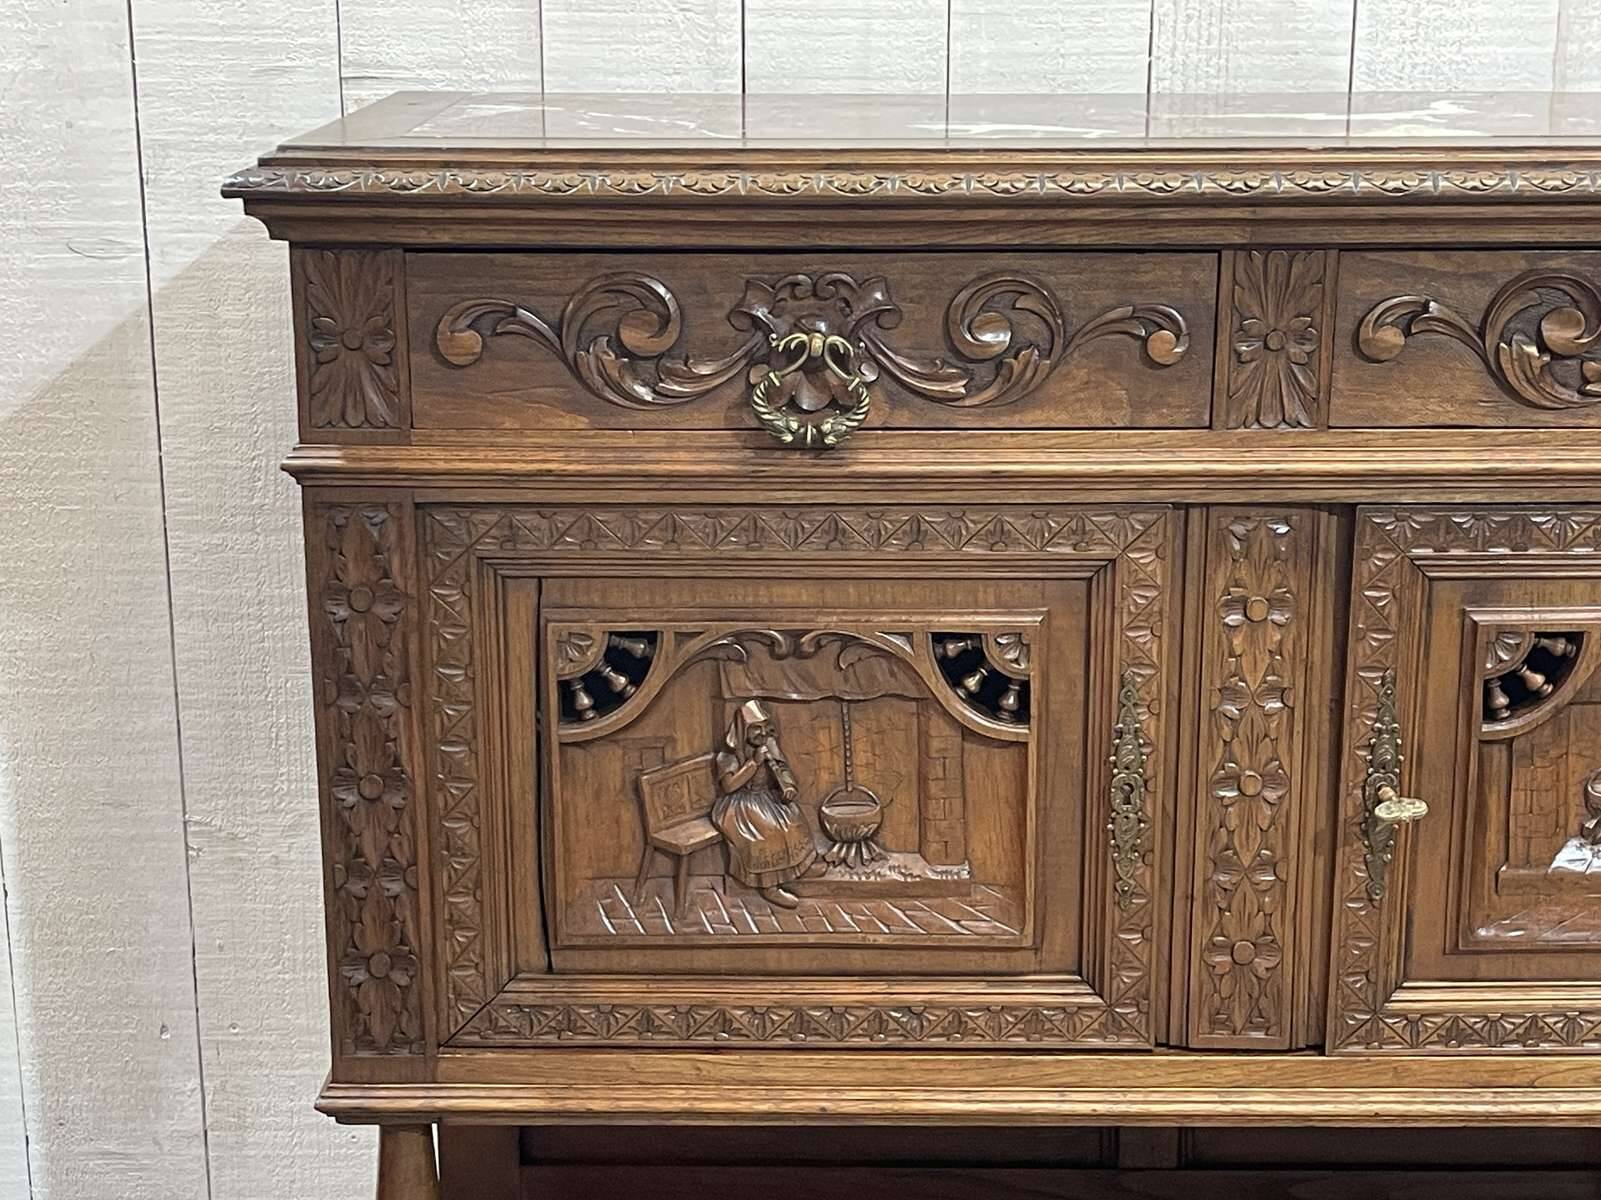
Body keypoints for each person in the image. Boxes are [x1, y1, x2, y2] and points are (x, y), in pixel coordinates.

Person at [713, 699, 818, 909]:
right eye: (756, 729)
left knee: (792, 818)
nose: (762, 734)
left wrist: (788, 786)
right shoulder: (728, 755)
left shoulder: (768, 745)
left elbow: (781, 768)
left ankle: (800, 866)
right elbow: (729, 786)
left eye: (764, 728)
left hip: (765, 796)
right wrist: (754, 763)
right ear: (743, 730)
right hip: (739, 804)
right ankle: (768, 886)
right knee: (766, 831)